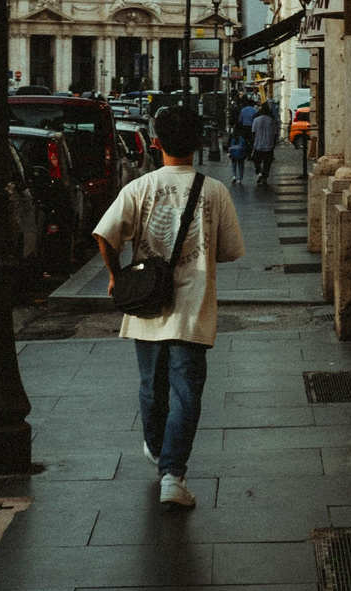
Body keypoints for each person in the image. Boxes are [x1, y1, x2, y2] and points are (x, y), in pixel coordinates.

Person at [95, 104, 245, 508]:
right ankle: (172, 476)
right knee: (186, 393)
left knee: (150, 386)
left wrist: (116, 275)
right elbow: (229, 251)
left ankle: (158, 448)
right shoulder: (215, 191)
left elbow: (106, 236)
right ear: (199, 144)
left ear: (156, 143)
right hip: (192, 308)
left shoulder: (138, 188)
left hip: (145, 305)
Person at [248, 101, 280, 183]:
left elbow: (253, 133)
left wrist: (254, 142)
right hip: (268, 145)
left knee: (256, 161)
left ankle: (259, 173)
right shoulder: (271, 120)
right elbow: (275, 133)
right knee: (267, 163)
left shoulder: (256, 120)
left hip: (258, 145)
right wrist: (274, 143)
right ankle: (265, 176)